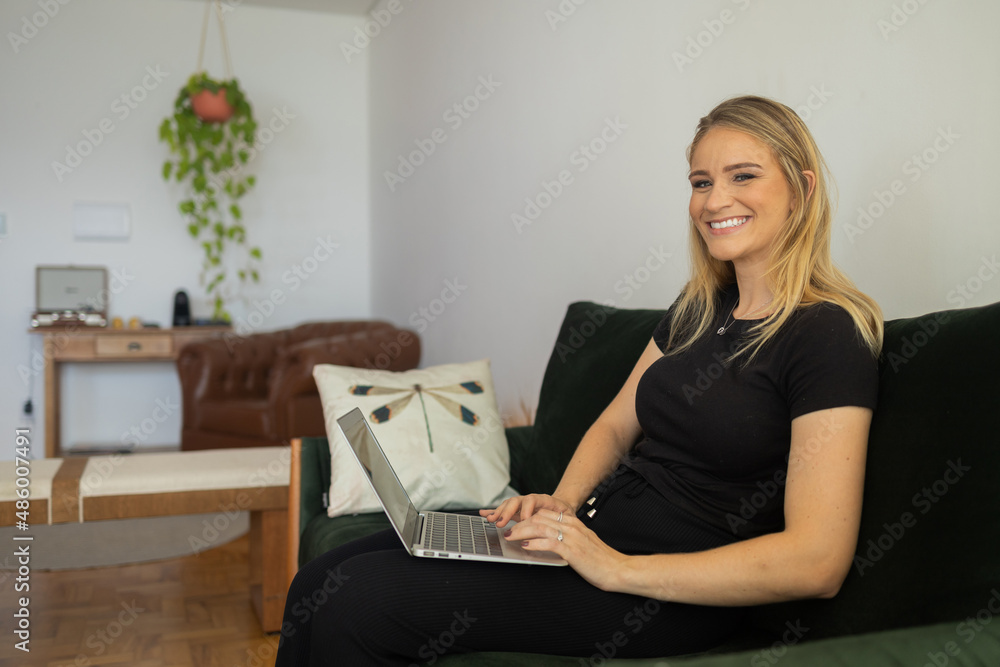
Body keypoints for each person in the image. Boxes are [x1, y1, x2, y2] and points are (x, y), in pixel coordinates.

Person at [275, 95, 883, 665]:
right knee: (320, 577)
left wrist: (616, 568)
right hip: (594, 542)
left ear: (802, 189)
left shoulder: (828, 334)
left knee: (353, 600)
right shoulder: (699, 310)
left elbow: (817, 559)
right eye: (701, 182)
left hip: (669, 592)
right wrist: (560, 510)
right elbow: (617, 425)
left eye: (743, 175)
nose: (713, 199)